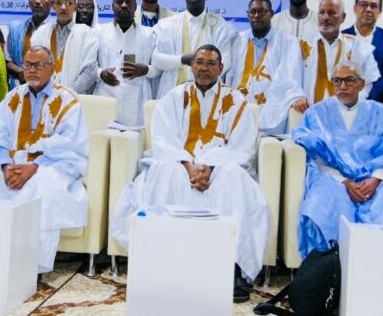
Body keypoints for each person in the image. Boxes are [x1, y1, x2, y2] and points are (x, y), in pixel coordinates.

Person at [113, 45, 269, 303]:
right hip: (181, 165)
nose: (204, 68)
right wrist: (187, 165)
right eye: (199, 62)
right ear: (192, 66)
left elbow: (242, 146)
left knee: (233, 176)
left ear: (221, 68)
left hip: (220, 169)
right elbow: (163, 139)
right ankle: (160, 265)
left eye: (211, 63)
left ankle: (232, 267)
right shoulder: (174, 97)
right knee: (166, 171)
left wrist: (210, 167)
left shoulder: (237, 101)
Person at [0, 45, 89, 273]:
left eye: (38, 65)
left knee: (42, 188)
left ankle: (27, 265)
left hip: (50, 165)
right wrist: (4, 164)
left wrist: (34, 167)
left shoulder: (67, 99)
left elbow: (71, 144)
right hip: (11, 163)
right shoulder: (15, 96)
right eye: (28, 65)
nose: (32, 70)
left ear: (52, 68)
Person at [295, 61, 383, 257]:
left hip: (377, 178)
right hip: (333, 178)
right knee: (324, 201)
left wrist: (376, 179)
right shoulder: (316, 114)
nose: (343, 86)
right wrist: (343, 181)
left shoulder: (381, 113)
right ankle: (332, 266)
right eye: (337, 81)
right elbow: (315, 157)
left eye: (349, 80)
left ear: (361, 84)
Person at [227, 0, 305, 133]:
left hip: (271, 109)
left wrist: (295, 96)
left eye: (261, 11)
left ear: (271, 14)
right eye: (252, 12)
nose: (256, 16)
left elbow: (290, 77)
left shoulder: (288, 42)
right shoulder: (236, 40)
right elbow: (227, 75)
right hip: (238, 108)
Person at [151, 0, 237, 99]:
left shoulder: (220, 27)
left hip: (207, 93)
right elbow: (156, 60)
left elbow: (225, 63)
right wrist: (182, 59)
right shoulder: (167, 25)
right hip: (171, 92)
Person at [300, 0, 380, 108]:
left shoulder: (358, 46)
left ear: (343, 17)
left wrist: (352, 103)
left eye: (331, 13)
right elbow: (290, 79)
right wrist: (297, 97)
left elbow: (368, 82)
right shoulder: (301, 44)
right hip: (308, 111)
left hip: (345, 112)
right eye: (321, 12)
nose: (325, 17)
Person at [94, 0, 159, 127]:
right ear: (112, 6)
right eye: (119, 2)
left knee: (135, 139)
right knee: (103, 138)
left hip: (137, 102)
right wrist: (100, 73)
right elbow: (88, 66)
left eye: (128, 2)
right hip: (106, 98)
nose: (124, 5)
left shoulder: (149, 34)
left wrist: (146, 70)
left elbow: (158, 70)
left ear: (135, 7)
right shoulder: (99, 32)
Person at [30, 0, 99, 94]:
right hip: (44, 96)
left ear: (75, 7)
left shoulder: (87, 34)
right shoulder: (41, 33)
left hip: (74, 97)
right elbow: (34, 66)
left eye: (69, 3)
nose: (63, 7)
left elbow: (90, 71)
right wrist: (46, 92)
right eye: (59, 3)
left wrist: (67, 95)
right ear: (53, 5)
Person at [342, 0, 383, 108]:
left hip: (379, 103)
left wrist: (369, 96)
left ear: (379, 11)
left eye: (373, 6)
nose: (368, 9)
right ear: (355, 8)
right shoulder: (342, 37)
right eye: (363, 4)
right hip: (345, 103)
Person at [6, 0, 53, 88]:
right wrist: (21, 72)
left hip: (50, 87)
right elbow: (7, 60)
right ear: (29, 3)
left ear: (52, 3)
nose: (37, 1)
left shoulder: (58, 30)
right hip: (20, 88)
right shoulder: (16, 28)